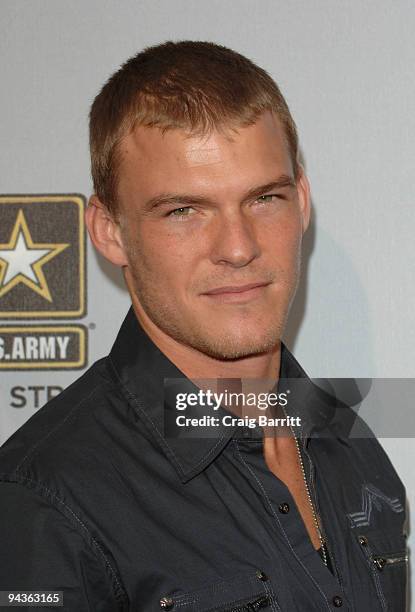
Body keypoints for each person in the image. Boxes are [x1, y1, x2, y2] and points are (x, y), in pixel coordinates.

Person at [0, 40, 407, 611]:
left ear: (304, 202)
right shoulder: (47, 501)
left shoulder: (347, 441)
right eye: (183, 211)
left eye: (264, 198)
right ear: (109, 230)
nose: (238, 248)